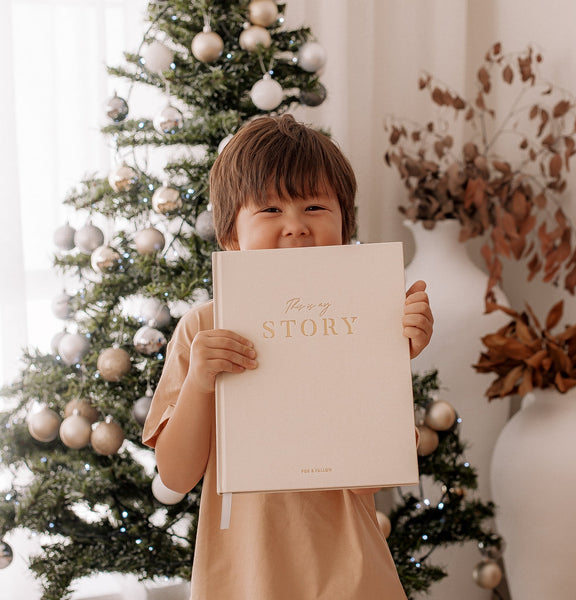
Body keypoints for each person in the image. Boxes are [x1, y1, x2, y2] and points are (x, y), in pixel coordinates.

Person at [143, 114, 434, 600]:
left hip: (353, 575)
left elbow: (377, 474)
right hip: (242, 579)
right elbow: (175, 475)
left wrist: (392, 356)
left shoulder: (367, 314)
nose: (296, 227)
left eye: (316, 205)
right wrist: (198, 382)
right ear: (231, 235)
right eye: (271, 209)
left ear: (345, 224)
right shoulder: (202, 328)